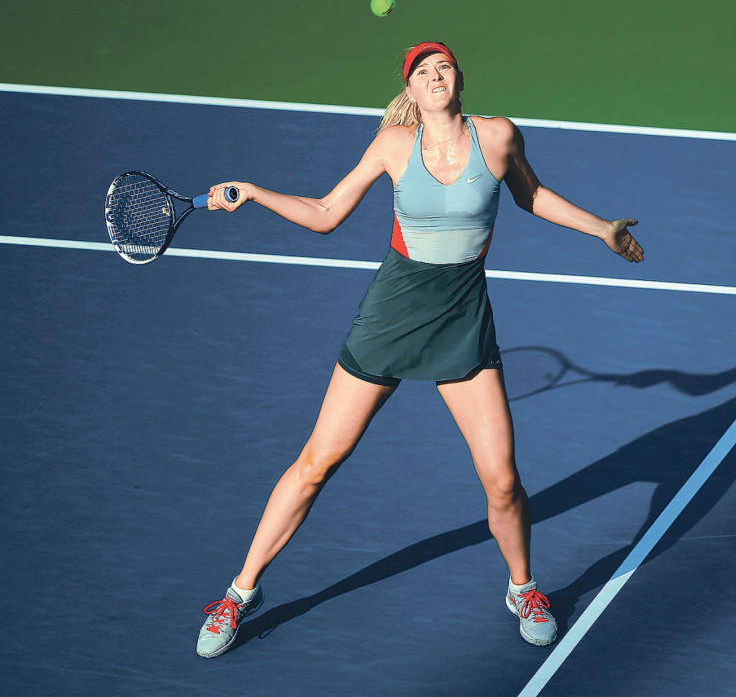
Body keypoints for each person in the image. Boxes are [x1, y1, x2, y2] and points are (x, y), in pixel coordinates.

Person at [194, 41, 644, 658]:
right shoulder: (393, 145)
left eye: (444, 67)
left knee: (502, 479)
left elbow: (531, 195)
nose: (435, 77)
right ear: (409, 90)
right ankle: (239, 593)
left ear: (460, 78)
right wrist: (254, 191)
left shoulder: (499, 136)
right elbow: (325, 212)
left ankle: (524, 589)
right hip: (391, 317)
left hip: (461, 319)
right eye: (422, 72)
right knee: (318, 461)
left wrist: (601, 229)